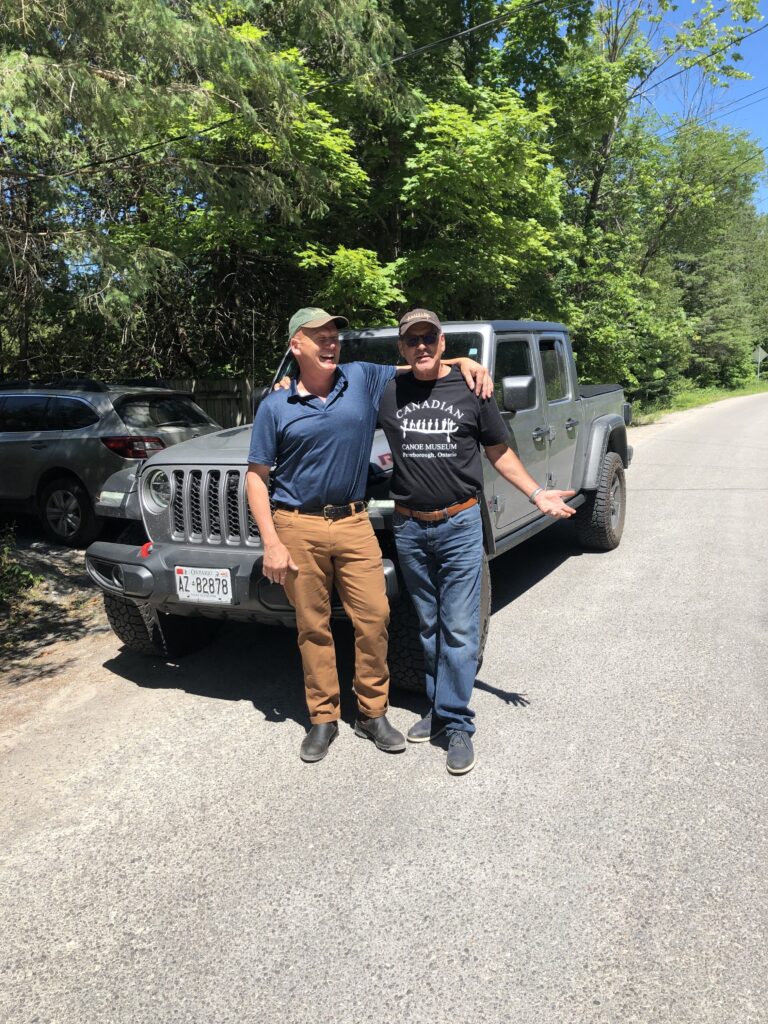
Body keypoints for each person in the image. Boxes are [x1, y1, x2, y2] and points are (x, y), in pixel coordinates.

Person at [246, 307, 492, 764]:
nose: (329, 342)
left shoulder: (360, 377)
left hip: (355, 522)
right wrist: (271, 542)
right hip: (297, 525)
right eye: (317, 335)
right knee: (313, 628)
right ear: (294, 345)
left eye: (333, 334)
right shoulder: (275, 405)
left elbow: (419, 362)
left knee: (375, 617)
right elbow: (257, 476)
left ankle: (372, 713)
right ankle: (323, 718)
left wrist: (464, 362)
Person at [377, 308, 576, 775]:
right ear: (402, 348)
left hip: (461, 524)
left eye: (429, 338)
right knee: (427, 626)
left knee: (461, 628)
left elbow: (499, 451)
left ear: (442, 342)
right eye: (412, 341)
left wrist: (535, 492)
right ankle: (438, 706)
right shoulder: (387, 389)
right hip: (408, 527)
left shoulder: (471, 388)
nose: (421, 346)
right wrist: (288, 388)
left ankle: (457, 723)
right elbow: (335, 378)